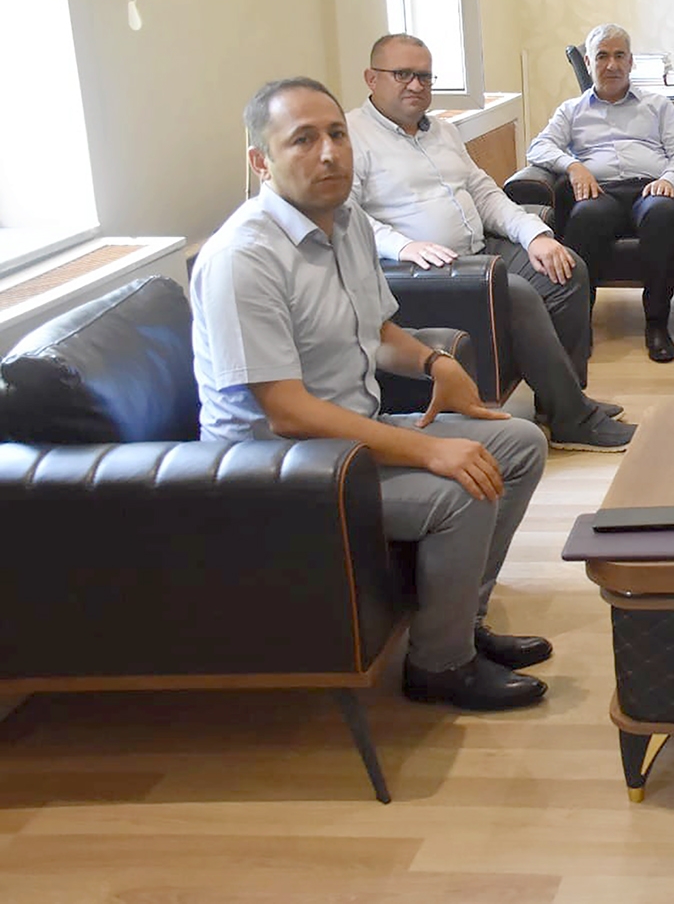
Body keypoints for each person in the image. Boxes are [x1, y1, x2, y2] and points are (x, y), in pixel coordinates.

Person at [192, 77, 558, 711]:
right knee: (460, 487)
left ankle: (459, 621)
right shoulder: (242, 257)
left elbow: (378, 331)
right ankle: (440, 666)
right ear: (260, 161)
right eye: (303, 140)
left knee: (520, 443)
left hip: (350, 435)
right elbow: (285, 412)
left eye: (337, 134)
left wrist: (434, 362)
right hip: (279, 471)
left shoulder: (348, 222)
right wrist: (428, 450)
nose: (330, 152)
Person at [348, 34, 632, 452]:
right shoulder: (351, 137)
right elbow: (346, 215)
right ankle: (576, 422)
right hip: (420, 266)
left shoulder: (442, 130)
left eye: (424, 76)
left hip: (480, 248)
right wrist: (402, 246)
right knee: (514, 293)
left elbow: (484, 193)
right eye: (403, 74)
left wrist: (534, 235)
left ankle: (561, 402)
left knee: (566, 267)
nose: (416, 85)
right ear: (372, 78)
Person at [526, 23, 674, 364]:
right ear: (588, 62)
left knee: (662, 213)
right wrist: (573, 166)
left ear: (631, 62)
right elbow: (538, 147)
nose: (612, 65)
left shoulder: (658, 105)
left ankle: (657, 324)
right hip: (601, 192)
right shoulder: (572, 110)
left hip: (651, 188)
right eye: (602, 56)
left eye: (620, 56)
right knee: (585, 216)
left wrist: (669, 179)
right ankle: (578, 325)